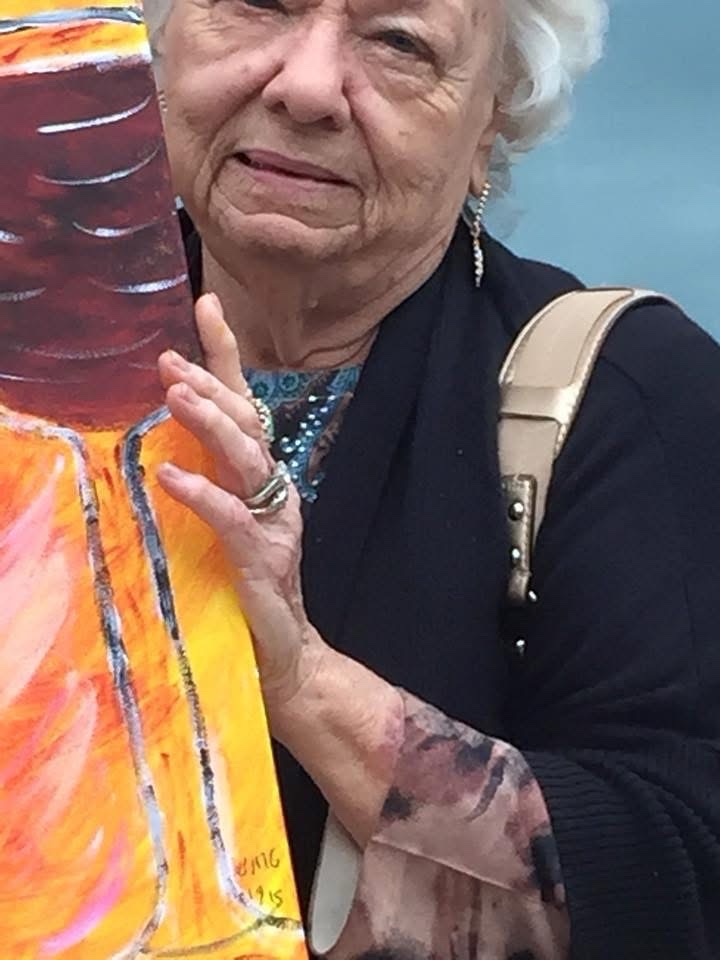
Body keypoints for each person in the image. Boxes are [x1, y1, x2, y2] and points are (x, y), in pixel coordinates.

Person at [145, 0, 720, 955]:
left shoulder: (632, 395)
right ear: (161, 41)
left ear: (494, 115)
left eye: (399, 42)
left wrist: (304, 682)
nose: (307, 86)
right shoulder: (28, 360)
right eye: (258, 3)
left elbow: (680, 872)